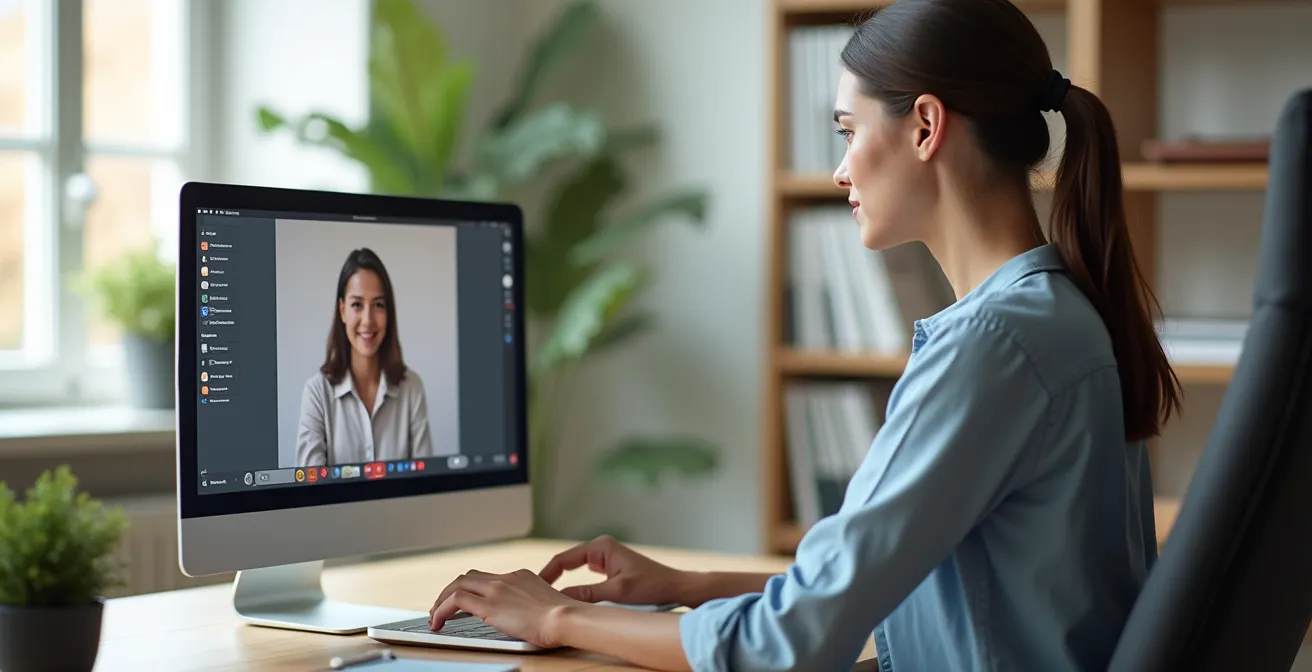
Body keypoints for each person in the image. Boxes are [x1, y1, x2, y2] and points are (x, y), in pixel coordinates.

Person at [423, 0, 1182, 669]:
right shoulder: (1055, 315)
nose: (840, 171)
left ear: (925, 125)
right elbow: (902, 582)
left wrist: (560, 616)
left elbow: (784, 648)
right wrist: (690, 588)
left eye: (849, 131)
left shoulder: (992, 345)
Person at [297, 247, 433, 466]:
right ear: (342, 310)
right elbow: (310, 493)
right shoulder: (316, 393)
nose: (368, 320)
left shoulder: (412, 388)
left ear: (389, 313)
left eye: (378, 305)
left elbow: (424, 486)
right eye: (357, 305)